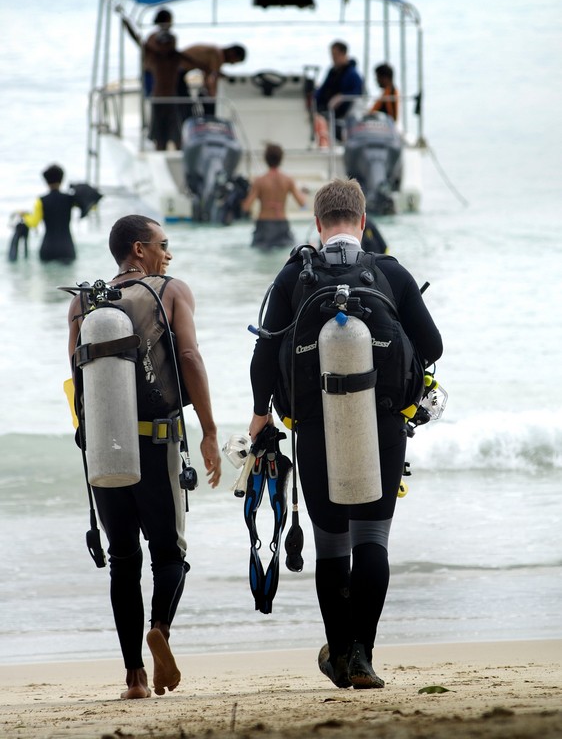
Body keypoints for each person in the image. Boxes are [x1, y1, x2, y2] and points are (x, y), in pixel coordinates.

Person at [247, 178, 442, 689]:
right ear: (361, 220)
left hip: (313, 426)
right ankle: (362, 655)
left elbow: (264, 357)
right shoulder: (390, 272)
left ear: (317, 224)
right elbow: (433, 345)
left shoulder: (294, 275)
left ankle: (336, 657)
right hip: (382, 420)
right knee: (372, 538)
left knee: (331, 544)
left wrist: (259, 414)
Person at [67, 215, 222, 700]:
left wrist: (90, 440)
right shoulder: (170, 290)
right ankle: (160, 628)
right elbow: (191, 358)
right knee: (170, 554)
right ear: (139, 249)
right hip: (156, 444)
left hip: (104, 446)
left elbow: (74, 378)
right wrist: (210, 431)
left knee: (122, 560)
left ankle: (133, 676)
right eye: (162, 244)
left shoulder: (82, 302)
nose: (168, 254)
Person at [121, 8, 192, 150]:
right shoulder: (154, 54)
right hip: (159, 99)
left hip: (171, 99)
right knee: (160, 139)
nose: (166, 45)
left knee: (176, 137)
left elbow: (198, 63)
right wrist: (127, 23)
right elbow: (138, 40)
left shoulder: (176, 57)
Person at [242, 143, 307, 249]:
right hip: (282, 223)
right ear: (281, 159)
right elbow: (302, 203)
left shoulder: (259, 181)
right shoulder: (288, 180)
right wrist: (304, 193)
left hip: (264, 225)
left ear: (265, 159)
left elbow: (246, 207)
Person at [19, 164, 80, 262]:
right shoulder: (70, 199)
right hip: (67, 248)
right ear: (62, 179)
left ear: (46, 181)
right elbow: (89, 205)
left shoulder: (41, 200)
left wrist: (25, 215)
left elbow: (34, 223)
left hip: (47, 249)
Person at [314, 41, 364, 147]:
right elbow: (323, 89)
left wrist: (341, 97)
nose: (333, 58)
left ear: (343, 54)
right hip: (325, 109)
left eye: (335, 55)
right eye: (332, 55)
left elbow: (357, 93)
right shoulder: (332, 72)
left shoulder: (353, 75)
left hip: (340, 113)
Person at [178, 44, 247, 116]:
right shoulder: (216, 54)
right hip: (176, 72)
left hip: (179, 72)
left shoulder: (214, 52)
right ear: (232, 53)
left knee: (186, 102)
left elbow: (209, 72)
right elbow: (212, 78)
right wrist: (212, 98)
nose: (232, 63)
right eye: (234, 61)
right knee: (185, 102)